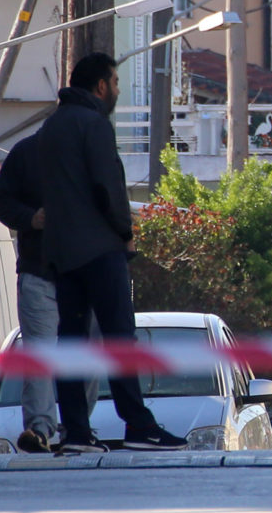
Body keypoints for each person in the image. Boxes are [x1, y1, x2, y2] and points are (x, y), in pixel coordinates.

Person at [38, 52, 187, 453]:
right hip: (101, 250)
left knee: (70, 343)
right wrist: (126, 232)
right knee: (120, 338)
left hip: (61, 253)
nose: (118, 90)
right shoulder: (94, 125)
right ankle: (139, 425)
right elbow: (109, 187)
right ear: (101, 86)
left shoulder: (50, 128)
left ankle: (76, 432)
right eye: (116, 83)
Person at [0, 134, 98, 453]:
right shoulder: (27, 153)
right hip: (40, 274)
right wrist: (31, 218)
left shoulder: (93, 152)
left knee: (86, 354)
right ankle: (39, 429)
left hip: (82, 276)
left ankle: (76, 427)